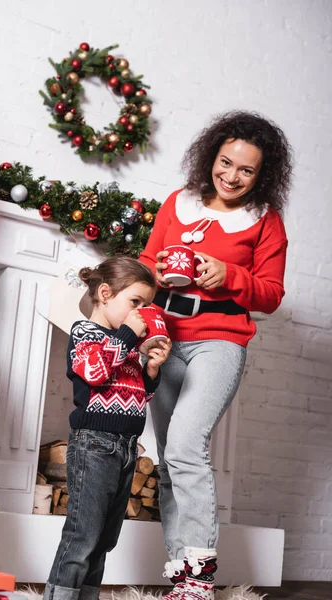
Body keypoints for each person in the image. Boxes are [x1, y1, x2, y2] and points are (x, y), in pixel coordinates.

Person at [139, 110, 293, 600]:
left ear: (261, 176)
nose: (231, 176)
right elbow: (147, 259)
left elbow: (270, 293)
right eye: (225, 163)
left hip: (220, 341)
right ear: (212, 157)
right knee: (168, 460)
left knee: (186, 444)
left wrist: (229, 277)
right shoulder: (177, 203)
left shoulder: (265, 222)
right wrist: (152, 277)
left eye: (246, 171)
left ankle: (199, 577)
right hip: (164, 337)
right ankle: (180, 573)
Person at [43, 256, 172, 600]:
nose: (142, 313)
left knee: (105, 535)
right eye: (136, 303)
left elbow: (136, 396)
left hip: (127, 447)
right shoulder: (85, 333)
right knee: (83, 533)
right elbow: (95, 373)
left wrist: (151, 373)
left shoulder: (124, 346)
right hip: (94, 445)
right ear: (104, 293)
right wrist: (130, 334)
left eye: (147, 306)